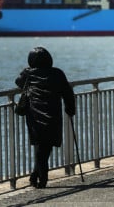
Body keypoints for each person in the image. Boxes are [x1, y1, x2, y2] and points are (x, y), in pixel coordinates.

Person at [15, 46, 75, 188]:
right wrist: (70, 109)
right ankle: (39, 177)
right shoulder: (57, 73)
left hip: (34, 114)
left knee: (41, 145)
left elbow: (18, 82)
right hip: (53, 113)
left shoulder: (28, 73)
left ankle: (39, 177)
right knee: (45, 146)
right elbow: (67, 92)